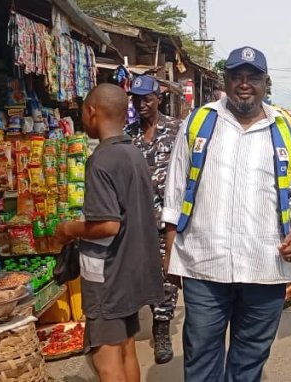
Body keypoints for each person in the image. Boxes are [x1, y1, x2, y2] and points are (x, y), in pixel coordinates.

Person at [162, 46, 291, 381]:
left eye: (253, 77)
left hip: (265, 267)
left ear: (266, 83)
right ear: (226, 80)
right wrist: (171, 253)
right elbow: (174, 189)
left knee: (249, 361)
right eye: (237, 76)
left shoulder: (283, 127)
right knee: (200, 357)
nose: (244, 84)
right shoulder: (201, 121)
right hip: (204, 266)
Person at [54, 84, 163, 382]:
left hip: (108, 275)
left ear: (91, 112)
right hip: (131, 271)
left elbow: (108, 224)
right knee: (127, 348)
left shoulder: (101, 160)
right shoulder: (133, 153)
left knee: (106, 360)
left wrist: (68, 229)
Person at [123, 74, 183, 365]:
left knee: (166, 275)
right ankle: (142, 317)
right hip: (137, 217)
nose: (141, 105)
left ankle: (162, 328)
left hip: (168, 218)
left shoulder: (177, 130)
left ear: (159, 98)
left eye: (146, 99)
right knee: (140, 272)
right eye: (136, 100)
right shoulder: (127, 133)